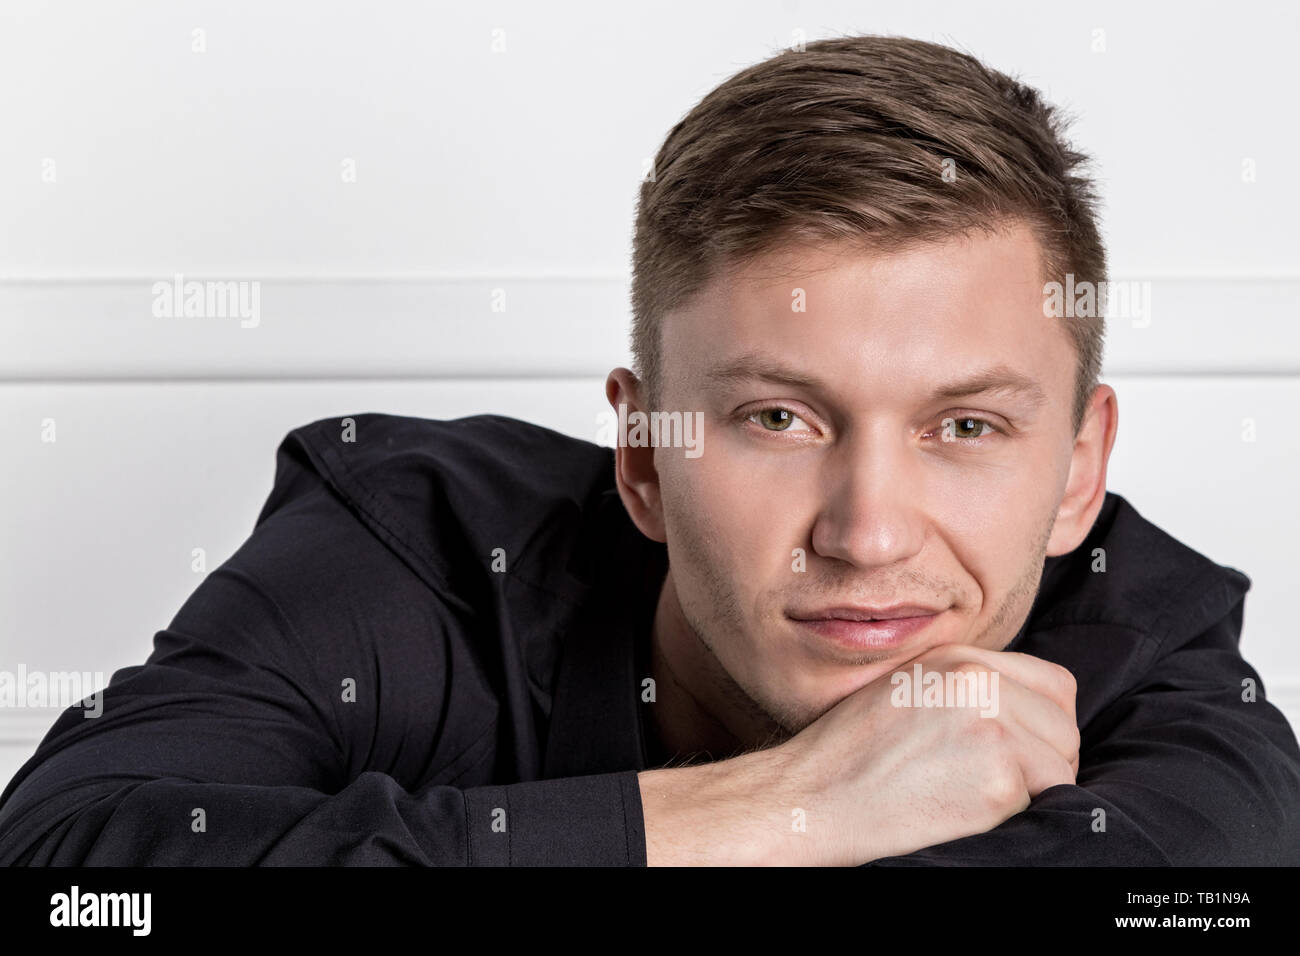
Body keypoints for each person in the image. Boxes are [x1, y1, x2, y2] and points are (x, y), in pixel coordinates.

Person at [2, 34, 1297, 866]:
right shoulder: (416, 552)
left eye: (966, 427)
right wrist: (768, 810)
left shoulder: (1158, 667)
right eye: (778, 419)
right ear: (641, 454)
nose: (869, 530)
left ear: (1078, 469)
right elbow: (70, 874)